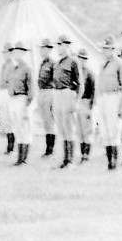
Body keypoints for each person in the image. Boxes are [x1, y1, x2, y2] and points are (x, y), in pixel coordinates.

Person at [95, 37, 122, 170]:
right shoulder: (103, 64)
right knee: (104, 130)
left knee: (113, 130)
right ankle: (109, 161)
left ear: (113, 49)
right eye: (103, 48)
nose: (104, 51)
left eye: (107, 48)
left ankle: (113, 162)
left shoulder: (119, 64)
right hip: (103, 98)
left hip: (114, 97)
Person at [2, 42, 35, 166]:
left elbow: (31, 89)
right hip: (13, 99)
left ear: (24, 53)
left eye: (20, 52)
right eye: (15, 52)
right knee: (17, 129)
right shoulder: (14, 68)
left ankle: (24, 159)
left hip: (23, 99)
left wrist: (27, 107)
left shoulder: (27, 68)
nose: (16, 54)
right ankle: (19, 158)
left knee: (25, 129)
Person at [52, 36, 80, 168]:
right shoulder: (57, 62)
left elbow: (80, 83)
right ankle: (65, 159)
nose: (58, 47)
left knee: (69, 128)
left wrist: (76, 100)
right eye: (57, 44)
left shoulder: (73, 61)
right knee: (61, 128)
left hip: (68, 93)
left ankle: (70, 160)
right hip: (57, 93)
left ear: (67, 45)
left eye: (60, 44)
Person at [35, 39, 59, 158]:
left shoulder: (53, 63)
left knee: (50, 122)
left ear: (48, 50)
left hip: (50, 92)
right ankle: (48, 149)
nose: (41, 50)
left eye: (43, 48)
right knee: (46, 122)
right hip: (42, 92)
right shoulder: (43, 63)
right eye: (41, 48)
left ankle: (50, 150)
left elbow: (56, 80)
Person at [74, 48, 97, 164]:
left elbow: (94, 91)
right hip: (78, 102)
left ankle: (86, 155)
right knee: (80, 131)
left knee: (87, 130)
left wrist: (91, 107)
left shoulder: (90, 73)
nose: (81, 60)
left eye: (84, 59)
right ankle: (82, 154)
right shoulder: (76, 73)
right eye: (80, 58)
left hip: (87, 102)